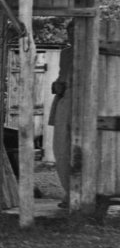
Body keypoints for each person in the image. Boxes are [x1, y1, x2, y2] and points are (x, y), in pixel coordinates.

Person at [48, 23, 74, 203]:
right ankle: (69, 192)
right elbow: (60, 79)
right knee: (61, 148)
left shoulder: (96, 52)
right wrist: (56, 85)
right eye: (70, 32)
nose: (72, 35)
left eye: (76, 31)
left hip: (88, 105)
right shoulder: (66, 54)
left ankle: (87, 194)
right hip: (65, 104)